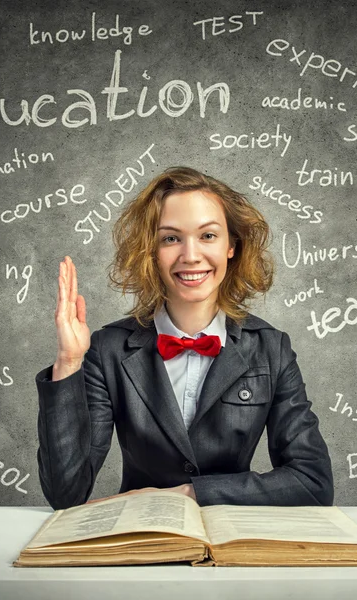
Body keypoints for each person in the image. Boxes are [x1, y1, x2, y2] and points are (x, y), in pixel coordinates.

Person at [36, 166, 333, 510]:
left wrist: (187, 495)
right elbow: (65, 494)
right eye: (171, 238)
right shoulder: (107, 350)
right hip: (142, 541)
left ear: (231, 246)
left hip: (230, 544)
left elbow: (313, 483)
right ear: (151, 251)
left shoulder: (271, 348)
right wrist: (69, 362)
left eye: (208, 236)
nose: (190, 256)